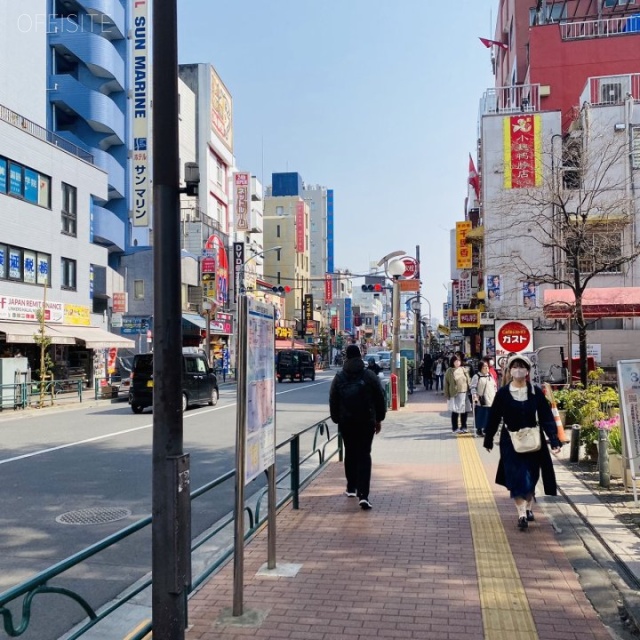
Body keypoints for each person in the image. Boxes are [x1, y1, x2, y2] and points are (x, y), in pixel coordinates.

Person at [483, 354, 562, 531]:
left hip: (533, 441)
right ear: (510, 371)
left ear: (527, 371)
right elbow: (494, 416)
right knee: (517, 477)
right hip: (510, 441)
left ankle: (528, 507)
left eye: (522, 367)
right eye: (515, 367)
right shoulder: (503, 393)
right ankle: (521, 514)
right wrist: (488, 439)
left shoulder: (535, 392)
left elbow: (546, 417)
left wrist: (554, 439)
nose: (518, 370)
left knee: (531, 477)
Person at [329, 344, 386, 510]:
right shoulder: (368, 375)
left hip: (346, 422)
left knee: (350, 453)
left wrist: (336, 418)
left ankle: (351, 487)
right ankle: (364, 495)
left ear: (346, 357)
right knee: (364, 454)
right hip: (366, 422)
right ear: (360, 356)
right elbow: (380, 398)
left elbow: (333, 399)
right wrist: (379, 419)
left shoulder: (339, 377)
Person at [444, 354, 471, 434]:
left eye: (458, 361)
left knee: (464, 410)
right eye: (455, 361)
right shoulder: (449, 371)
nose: (457, 362)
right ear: (452, 362)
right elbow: (446, 383)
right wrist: (447, 394)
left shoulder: (463, 369)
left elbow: (468, 379)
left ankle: (464, 426)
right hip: (455, 393)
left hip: (464, 392)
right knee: (455, 411)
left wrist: (471, 390)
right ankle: (455, 428)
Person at [470, 360, 497, 436]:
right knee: (481, 414)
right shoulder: (477, 376)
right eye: (484, 366)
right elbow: (473, 387)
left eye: (487, 366)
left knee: (489, 415)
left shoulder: (490, 375)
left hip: (491, 398)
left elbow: (494, 385)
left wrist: (496, 393)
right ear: (480, 368)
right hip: (482, 399)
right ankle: (479, 429)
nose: (486, 368)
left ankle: (486, 429)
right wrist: (474, 395)